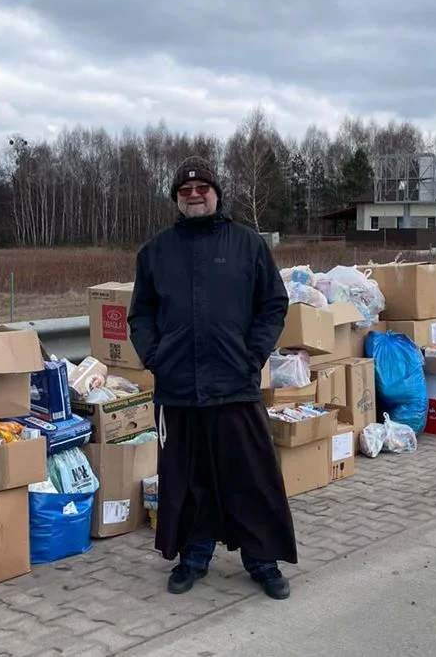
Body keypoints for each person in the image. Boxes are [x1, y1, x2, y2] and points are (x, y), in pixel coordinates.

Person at [128, 155, 297, 600]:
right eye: (185, 191)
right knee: (188, 479)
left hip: (234, 384)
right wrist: (155, 356)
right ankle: (194, 555)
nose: (194, 194)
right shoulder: (155, 252)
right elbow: (140, 314)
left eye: (202, 187)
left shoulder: (247, 245)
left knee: (250, 476)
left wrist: (253, 354)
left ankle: (262, 560)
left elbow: (273, 304)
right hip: (178, 388)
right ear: (176, 200)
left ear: (217, 193)